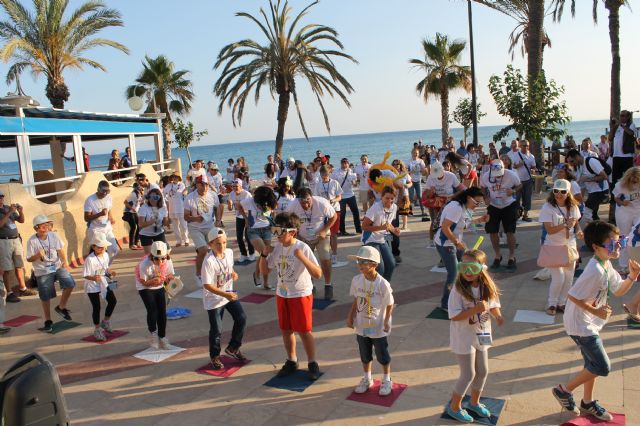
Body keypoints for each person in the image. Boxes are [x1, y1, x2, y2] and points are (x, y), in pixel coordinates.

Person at [552, 221, 640, 421]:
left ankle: (587, 402)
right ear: (596, 247)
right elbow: (573, 296)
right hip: (580, 325)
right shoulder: (595, 270)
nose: (618, 247)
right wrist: (596, 311)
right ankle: (564, 390)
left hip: (588, 322)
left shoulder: (605, 264)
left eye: (619, 242)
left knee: (590, 364)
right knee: (601, 366)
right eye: (612, 244)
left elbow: (618, 291)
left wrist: (632, 277)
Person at [259, 212, 323, 380]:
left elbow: (318, 274)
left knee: (304, 331)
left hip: (300, 294)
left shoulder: (302, 248)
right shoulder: (277, 247)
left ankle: (312, 362)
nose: (276, 235)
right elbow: (264, 271)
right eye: (274, 230)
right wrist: (264, 254)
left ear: (292, 232)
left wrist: (302, 258)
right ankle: (292, 360)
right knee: (286, 330)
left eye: (280, 231)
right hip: (282, 294)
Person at [446, 249, 504, 423]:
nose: (468, 271)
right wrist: (475, 309)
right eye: (463, 266)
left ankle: (474, 402)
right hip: (464, 337)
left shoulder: (486, 286)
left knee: (483, 371)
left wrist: (498, 315)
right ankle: (454, 407)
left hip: (482, 333)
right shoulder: (457, 289)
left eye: (472, 267)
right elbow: (454, 316)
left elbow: (493, 304)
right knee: (468, 374)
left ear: (482, 268)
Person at [346, 246, 395, 396]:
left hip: (378, 326)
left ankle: (386, 379)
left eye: (364, 262)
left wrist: (386, 321)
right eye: (358, 262)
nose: (360, 265)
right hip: (362, 325)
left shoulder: (382, 284)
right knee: (365, 354)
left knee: (382, 355)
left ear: (374, 265)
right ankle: (367, 378)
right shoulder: (357, 280)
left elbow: (390, 303)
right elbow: (356, 299)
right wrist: (350, 316)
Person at [435, 187, 489, 311]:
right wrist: (456, 242)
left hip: (454, 242)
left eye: (480, 203)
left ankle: (462, 296)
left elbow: (462, 225)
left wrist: (480, 220)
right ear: (468, 198)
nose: (477, 205)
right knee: (454, 274)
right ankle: (446, 304)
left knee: (465, 268)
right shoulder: (456, 207)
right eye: (476, 202)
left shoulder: (465, 207)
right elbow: (445, 227)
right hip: (446, 244)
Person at [202, 227, 247, 369]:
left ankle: (234, 347)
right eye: (218, 244)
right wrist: (225, 294)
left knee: (241, 318)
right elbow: (207, 285)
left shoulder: (229, 253)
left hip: (228, 294)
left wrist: (233, 273)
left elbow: (229, 267)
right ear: (210, 244)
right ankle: (215, 356)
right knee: (217, 329)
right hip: (214, 300)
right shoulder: (208, 261)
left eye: (224, 242)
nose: (222, 246)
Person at [539, 179, 583, 315]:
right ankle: (552, 304)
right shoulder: (547, 207)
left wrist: (578, 230)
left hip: (569, 245)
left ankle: (562, 303)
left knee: (569, 277)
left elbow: (575, 223)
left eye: (563, 191)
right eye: (556, 191)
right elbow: (549, 230)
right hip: (553, 246)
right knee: (559, 278)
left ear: (568, 192)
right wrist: (565, 224)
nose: (559, 194)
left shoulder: (573, 207)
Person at [26, 214, 75, 332]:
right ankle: (48, 321)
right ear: (36, 227)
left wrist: (65, 262)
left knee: (70, 283)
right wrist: (37, 255)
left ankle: (61, 307)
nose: (46, 227)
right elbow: (29, 259)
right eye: (43, 225)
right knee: (45, 296)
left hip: (57, 266)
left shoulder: (53, 235)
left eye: (47, 224)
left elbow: (60, 250)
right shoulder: (32, 241)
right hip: (42, 271)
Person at [286, 188, 337, 300]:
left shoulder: (322, 203)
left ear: (312, 197)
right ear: (298, 200)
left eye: (308, 201)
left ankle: (328, 284)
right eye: (302, 202)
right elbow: (287, 219)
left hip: (321, 235)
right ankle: (311, 284)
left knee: (325, 259)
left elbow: (334, 217)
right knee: (306, 261)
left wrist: (324, 230)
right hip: (303, 237)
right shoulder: (292, 205)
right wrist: (294, 233)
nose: (306, 205)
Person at [480, 159, 522, 270]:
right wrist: (485, 197)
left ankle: (512, 256)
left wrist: (513, 191)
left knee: (510, 231)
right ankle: (498, 255)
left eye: (500, 174)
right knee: (492, 231)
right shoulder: (485, 176)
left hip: (509, 204)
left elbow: (519, 185)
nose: (498, 176)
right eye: (496, 174)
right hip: (493, 205)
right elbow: (483, 187)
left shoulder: (511, 175)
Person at [135, 241, 174, 349]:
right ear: (151, 256)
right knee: (152, 310)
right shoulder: (144, 264)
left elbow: (170, 274)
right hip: (145, 286)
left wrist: (169, 278)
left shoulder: (168, 261)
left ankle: (162, 336)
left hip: (159, 285)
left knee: (162, 312)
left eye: (163, 258)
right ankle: (153, 334)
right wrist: (152, 281)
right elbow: (144, 282)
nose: (160, 261)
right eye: (156, 258)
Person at [184, 176, 221, 286]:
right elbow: (186, 216)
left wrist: (218, 220)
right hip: (195, 228)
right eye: (202, 184)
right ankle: (198, 274)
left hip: (210, 226)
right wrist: (195, 219)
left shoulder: (213, 195)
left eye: (207, 185)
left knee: (215, 250)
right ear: (197, 184)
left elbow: (218, 207)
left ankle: (214, 272)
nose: (205, 187)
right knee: (203, 250)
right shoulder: (189, 198)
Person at [240, 186, 277, 290]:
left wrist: (273, 218)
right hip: (253, 230)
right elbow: (238, 205)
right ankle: (256, 273)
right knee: (264, 253)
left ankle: (266, 282)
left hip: (267, 229)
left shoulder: (270, 200)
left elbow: (274, 210)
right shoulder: (249, 200)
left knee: (266, 257)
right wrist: (245, 218)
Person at [0, 190, 34, 303]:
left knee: (19, 265)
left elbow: (21, 220)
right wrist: (9, 212)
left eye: (1, 197)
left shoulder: (7, 207)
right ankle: (9, 293)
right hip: (4, 241)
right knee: (6, 269)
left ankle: (23, 289)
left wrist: (21, 211)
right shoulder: (8, 210)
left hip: (15, 239)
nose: (1, 199)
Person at [83, 233, 118, 342]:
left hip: (103, 282)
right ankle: (97, 329)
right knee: (96, 307)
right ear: (93, 247)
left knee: (113, 301)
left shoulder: (106, 255)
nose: (102, 249)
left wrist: (110, 273)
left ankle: (106, 321)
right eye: (99, 247)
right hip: (92, 285)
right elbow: (85, 275)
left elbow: (105, 268)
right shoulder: (89, 259)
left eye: (103, 246)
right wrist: (94, 278)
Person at [361, 186, 400, 281]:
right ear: (382, 197)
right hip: (370, 239)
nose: (389, 201)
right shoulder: (375, 208)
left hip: (382, 239)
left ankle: (384, 286)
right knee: (380, 267)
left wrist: (394, 230)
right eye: (387, 198)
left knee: (391, 264)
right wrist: (381, 228)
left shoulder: (394, 207)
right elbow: (364, 226)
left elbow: (388, 223)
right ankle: (376, 287)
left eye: (392, 198)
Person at [424, 161, 465, 247]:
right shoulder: (431, 177)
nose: (437, 176)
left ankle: (449, 239)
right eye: (436, 175)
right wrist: (431, 192)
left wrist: (452, 197)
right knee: (435, 221)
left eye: (439, 174)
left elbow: (462, 189)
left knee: (448, 221)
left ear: (443, 170)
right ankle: (432, 241)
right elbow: (426, 195)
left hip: (449, 201)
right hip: (435, 202)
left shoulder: (451, 176)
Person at [566, 149, 609, 221]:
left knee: (587, 213)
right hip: (592, 192)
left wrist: (589, 179)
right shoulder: (580, 166)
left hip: (600, 191)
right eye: (569, 162)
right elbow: (581, 183)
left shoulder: (591, 162)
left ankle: (590, 227)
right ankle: (596, 226)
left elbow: (604, 176)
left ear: (577, 157)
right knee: (593, 215)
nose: (571, 164)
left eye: (572, 161)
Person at [612, 167, 640, 273]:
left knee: (637, 236)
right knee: (624, 237)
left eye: (637, 180)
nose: (635, 182)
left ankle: (637, 262)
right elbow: (615, 198)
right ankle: (623, 265)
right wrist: (622, 203)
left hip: (638, 211)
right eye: (632, 180)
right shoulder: (620, 185)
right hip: (624, 212)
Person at [84, 180, 119, 261]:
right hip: (96, 230)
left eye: (107, 191)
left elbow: (108, 210)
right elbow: (86, 218)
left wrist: (111, 217)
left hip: (107, 228)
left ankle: (105, 266)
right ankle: (98, 266)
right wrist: (100, 214)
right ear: (98, 189)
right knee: (99, 252)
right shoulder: (90, 200)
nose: (105, 193)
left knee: (114, 250)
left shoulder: (109, 198)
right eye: (103, 191)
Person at [314, 165, 343, 264]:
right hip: (323, 212)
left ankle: (334, 254)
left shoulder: (335, 183)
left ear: (329, 173)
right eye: (322, 174)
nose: (324, 176)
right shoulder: (318, 185)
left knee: (334, 234)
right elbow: (316, 198)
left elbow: (339, 197)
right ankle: (325, 254)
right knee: (324, 234)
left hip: (335, 210)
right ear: (320, 174)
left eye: (326, 174)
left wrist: (332, 200)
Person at [507, 140, 536, 222]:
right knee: (516, 199)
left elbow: (533, 166)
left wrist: (533, 170)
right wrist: (519, 165)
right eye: (524, 145)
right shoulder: (515, 155)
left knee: (527, 198)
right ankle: (516, 214)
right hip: (517, 181)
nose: (526, 147)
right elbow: (512, 166)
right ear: (520, 146)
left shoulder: (531, 156)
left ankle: (525, 215)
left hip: (528, 180)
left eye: (527, 145)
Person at [227, 179, 255, 263]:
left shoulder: (246, 194)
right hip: (239, 217)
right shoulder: (231, 194)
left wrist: (247, 219)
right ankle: (243, 254)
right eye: (233, 186)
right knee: (239, 237)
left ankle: (252, 253)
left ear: (241, 186)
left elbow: (251, 208)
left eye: (236, 186)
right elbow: (230, 209)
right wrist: (229, 205)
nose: (234, 188)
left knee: (248, 236)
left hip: (248, 216)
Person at [334, 158, 361, 236]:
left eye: (346, 163)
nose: (344, 165)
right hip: (341, 196)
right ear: (341, 164)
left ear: (348, 164)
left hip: (351, 195)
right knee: (342, 214)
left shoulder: (351, 171)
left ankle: (359, 230)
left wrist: (355, 181)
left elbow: (354, 184)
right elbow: (333, 183)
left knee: (356, 212)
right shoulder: (336, 172)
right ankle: (342, 231)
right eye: (343, 163)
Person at [137, 188, 169, 253]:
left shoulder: (163, 208)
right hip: (145, 234)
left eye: (155, 197)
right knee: (149, 255)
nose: (152, 199)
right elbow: (141, 224)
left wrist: (168, 220)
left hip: (159, 233)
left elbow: (165, 223)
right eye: (149, 197)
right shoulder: (144, 207)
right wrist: (152, 221)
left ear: (159, 198)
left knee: (163, 253)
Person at [163, 174, 190, 247]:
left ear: (179, 178)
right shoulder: (168, 186)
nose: (174, 179)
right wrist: (166, 201)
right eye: (173, 177)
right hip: (172, 208)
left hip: (180, 208)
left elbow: (182, 193)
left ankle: (186, 240)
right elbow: (163, 194)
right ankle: (178, 241)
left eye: (176, 178)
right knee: (175, 226)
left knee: (184, 225)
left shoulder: (181, 185)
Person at [391, 159, 412, 231]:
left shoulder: (404, 173)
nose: (396, 165)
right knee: (394, 210)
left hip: (404, 194)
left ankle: (404, 225)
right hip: (394, 194)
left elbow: (410, 182)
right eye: (394, 164)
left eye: (397, 164)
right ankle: (394, 225)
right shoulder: (391, 173)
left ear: (400, 165)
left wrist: (408, 185)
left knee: (404, 210)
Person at [122, 183, 143, 250]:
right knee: (133, 227)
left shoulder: (139, 194)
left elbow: (138, 203)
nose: (141, 188)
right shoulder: (133, 194)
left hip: (134, 212)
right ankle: (131, 244)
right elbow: (125, 202)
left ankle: (136, 242)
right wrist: (131, 208)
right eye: (139, 187)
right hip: (129, 212)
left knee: (139, 226)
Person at [407, 150, 427, 220]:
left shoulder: (420, 161)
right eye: (414, 153)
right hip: (411, 181)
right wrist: (410, 171)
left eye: (417, 153)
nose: (415, 154)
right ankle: (409, 212)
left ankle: (423, 211)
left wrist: (423, 170)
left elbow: (424, 172)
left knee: (420, 196)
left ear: (418, 154)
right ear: (411, 153)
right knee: (411, 197)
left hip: (418, 180)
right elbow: (405, 171)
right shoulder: (408, 161)